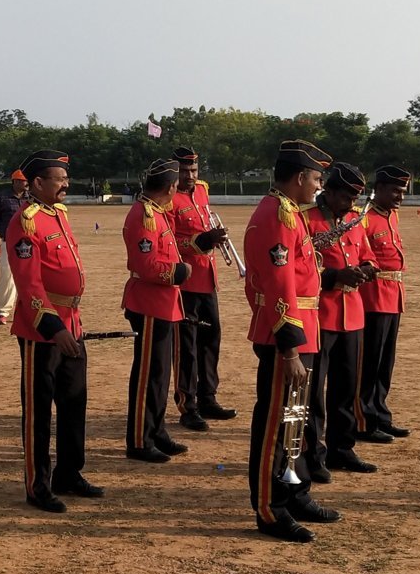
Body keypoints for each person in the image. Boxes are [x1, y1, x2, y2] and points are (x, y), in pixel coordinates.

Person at [244, 140, 340, 543]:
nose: (319, 186)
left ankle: (295, 492)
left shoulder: (290, 212)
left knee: (295, 420)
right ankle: (271, 508)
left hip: (305, 329)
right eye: (317, 178)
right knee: (275, 425)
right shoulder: (278, 215)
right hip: (285, 336)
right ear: (300, 177)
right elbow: (279, 286)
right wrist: (289, 348)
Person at [6, 149, 102, 512]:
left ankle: (69, 473)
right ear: (37, 183)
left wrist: (70, 325)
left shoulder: (58, 215)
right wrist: (53, 327)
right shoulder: (25, 222)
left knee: (74, 401)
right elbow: (29, 284)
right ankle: (38, 485)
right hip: (42, 331)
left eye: (65, 179)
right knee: (39, 411)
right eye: (59, 179)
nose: (66, 185)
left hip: (72, 323)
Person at [302, 163, 379, 477]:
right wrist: (335, 277)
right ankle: (312, 456)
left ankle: (342, 450)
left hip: (352, 315)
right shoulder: (307, 220)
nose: (350, 203)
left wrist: (368, 269)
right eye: (346, 197)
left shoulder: (353, 220)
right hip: (320, 314)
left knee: (346, 389)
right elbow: (300, 271)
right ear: (329, 192)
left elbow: (368, 255)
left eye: (354, 198)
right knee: (313, 394)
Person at [122, 159, 192, 463]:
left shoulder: (156, 211)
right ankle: (140, 440)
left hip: (163, 303)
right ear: (172, 187)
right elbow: (147, 265)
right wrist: (179, 272)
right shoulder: (144, 215)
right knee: (148, 375)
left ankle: (156, 430)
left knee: (161, 375)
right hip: (149, 303)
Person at [169, 146, 235, 431]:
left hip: (208, 277)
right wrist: (203, 240)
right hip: (186, 281)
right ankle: (188, 405)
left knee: (210, 340)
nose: (190, 176)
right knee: (187, 346)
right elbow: (169, 241)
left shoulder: (202, 192)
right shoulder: (169, 198)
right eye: (184, 171)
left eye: (194, 170)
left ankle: (208, 397)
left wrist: (214, 238)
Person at [356, 165, 412, 444]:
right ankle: (363, 421)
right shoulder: (364, 217)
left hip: (392, 296)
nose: (400, 197)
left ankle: (380, 415)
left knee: (384, 365)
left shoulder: (391, 215)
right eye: (394, 191)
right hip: (373, 297)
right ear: (378, 189)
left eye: (402, 192)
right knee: (369, 364)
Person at [0, 171, 30, 326]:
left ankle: (27, 311)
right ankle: (2, 312)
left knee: (29, 276)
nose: (26, 184)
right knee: (7, 276)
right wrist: (4, 233)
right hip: (9, 242)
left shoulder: (31, 198)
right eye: (23, 181)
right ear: (15, 181)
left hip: (28, 243)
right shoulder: (2, 198)